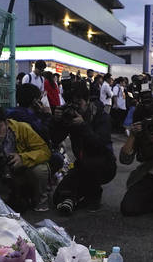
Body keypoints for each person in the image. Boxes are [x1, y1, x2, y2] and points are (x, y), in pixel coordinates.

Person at [50, 81, 117, 215]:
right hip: (82, 164)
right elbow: (56, 139)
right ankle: (72, 198)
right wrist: (57, 121)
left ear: (87, 100)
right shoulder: (71, 114)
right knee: (58, 196)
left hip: (104, 164)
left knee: (89, 167)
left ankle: (94, 193)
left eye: (78, 103)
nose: (76, 108)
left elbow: (100, 144)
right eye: (72, 103)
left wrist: (83, 125)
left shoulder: (101, 115)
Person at [0, 106, 51, 213]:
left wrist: (22, 158)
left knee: (40, 169)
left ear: (6, 123)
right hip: (1, 179)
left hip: (24, 171)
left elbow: (45, 151)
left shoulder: (22, 129)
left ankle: (41, 200)